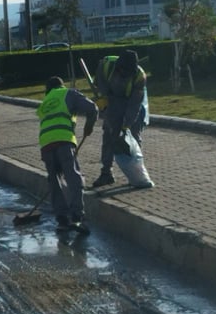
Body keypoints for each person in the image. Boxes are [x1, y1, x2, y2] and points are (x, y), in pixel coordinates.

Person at [36, 75, 97, 233]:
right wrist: (89, 127)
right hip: (63, 141)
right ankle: (77, 217)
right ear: (61, 86)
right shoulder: (69, 93)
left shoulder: (45, 102)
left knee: (54, 182)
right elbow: (92, 108)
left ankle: (62, 220)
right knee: (73, 178)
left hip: (46, 145)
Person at [92, 49, 148, 188]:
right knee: (109, 136)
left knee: (133, 136)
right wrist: (103, 101)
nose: (126, 75)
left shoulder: (139, 76)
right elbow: (100, 85)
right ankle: (106, 174)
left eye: (129, 72)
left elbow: (134, 105)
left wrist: (126, 126)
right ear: (119, 67)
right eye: (124, 71)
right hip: (112, 100)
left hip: (131, 102)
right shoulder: (105, 65)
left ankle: (135, 175)